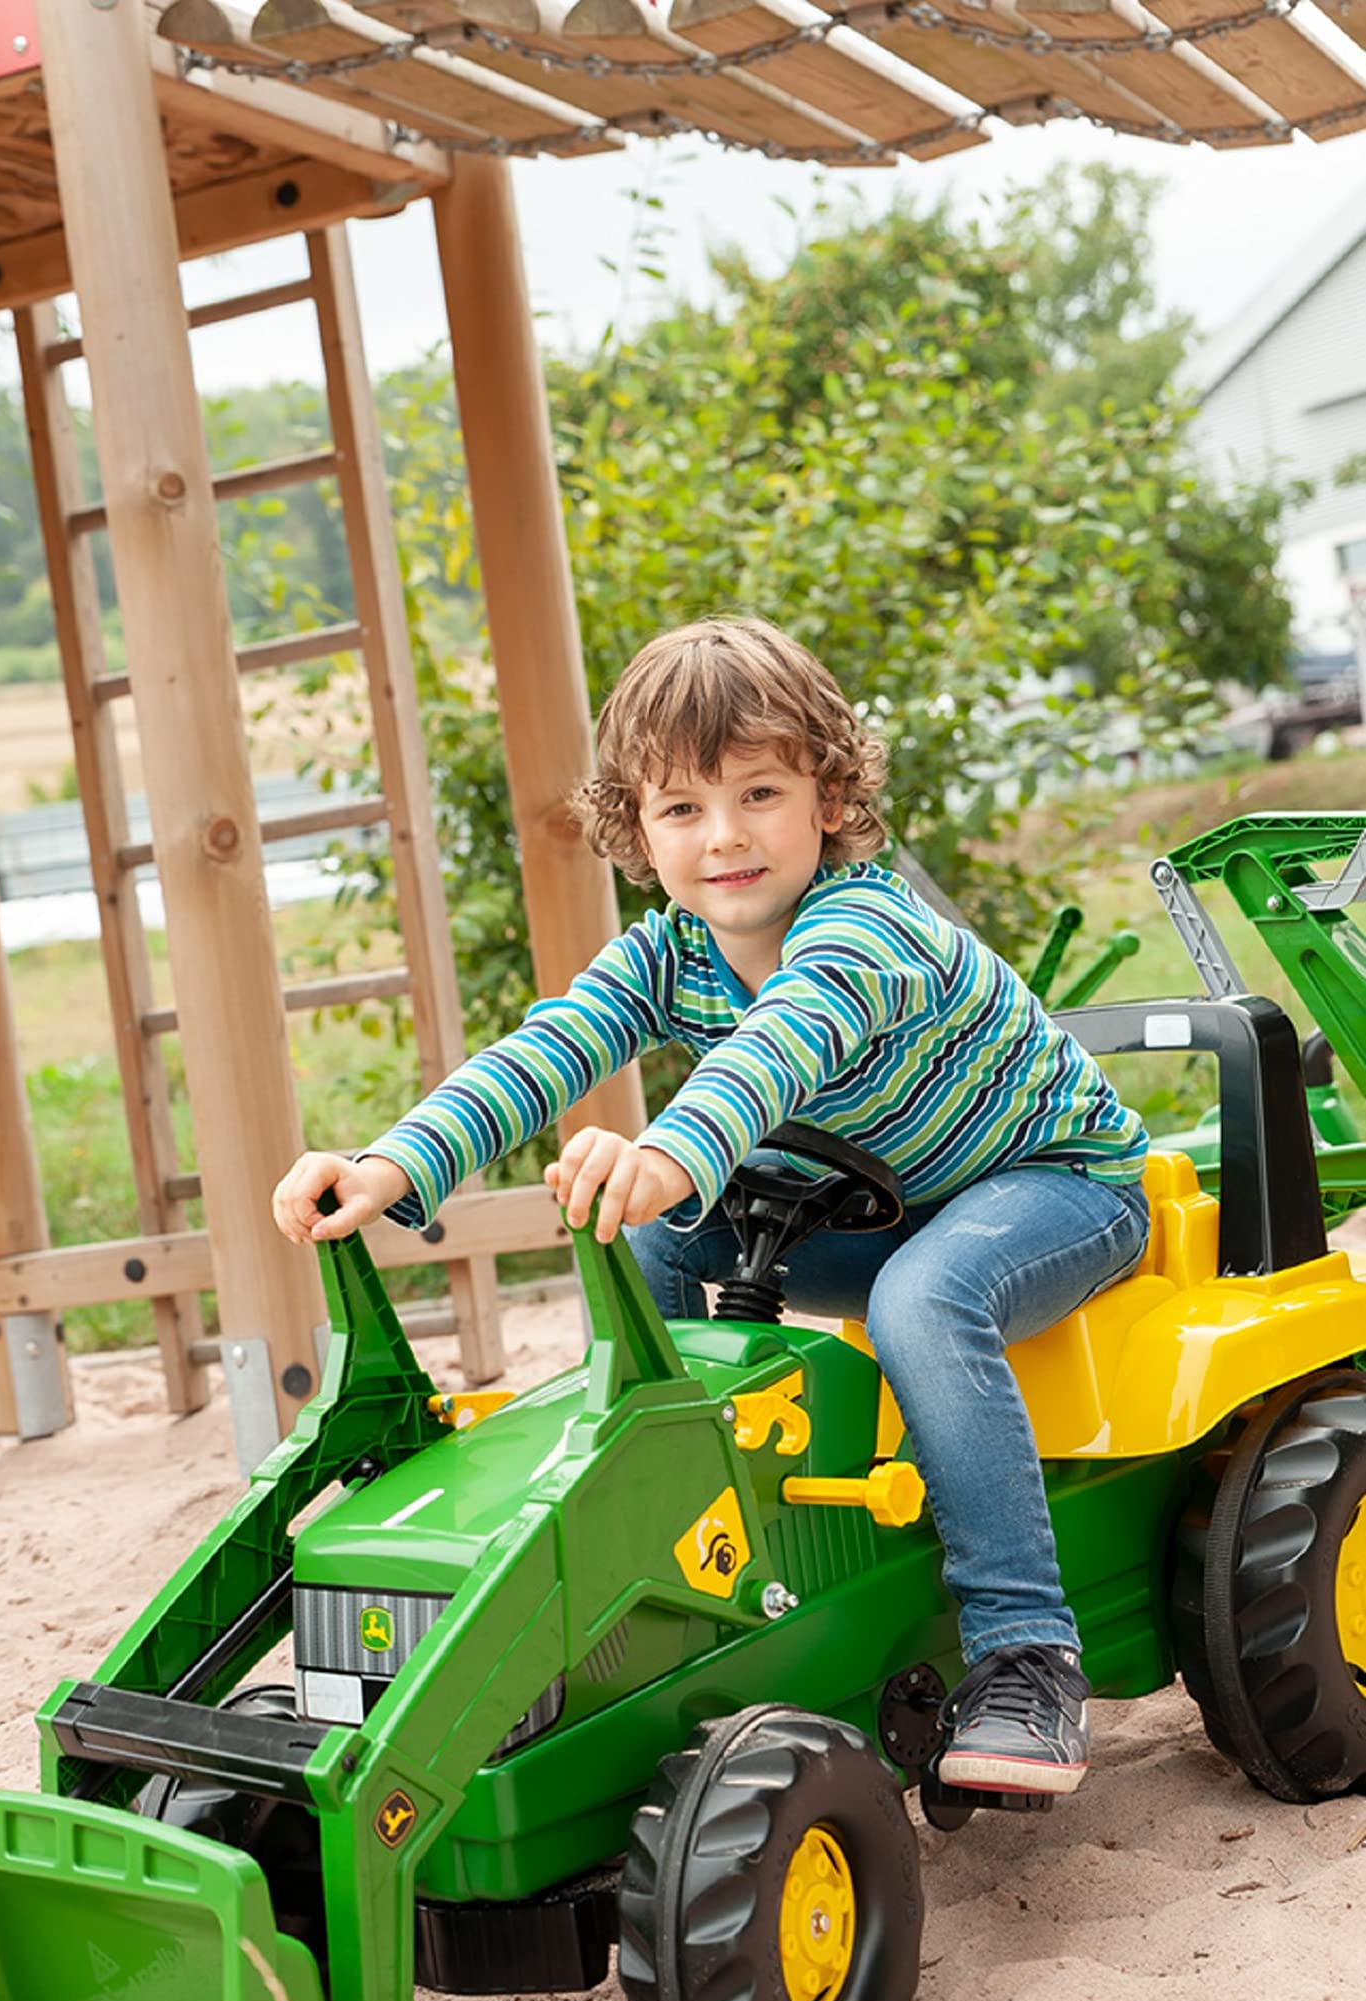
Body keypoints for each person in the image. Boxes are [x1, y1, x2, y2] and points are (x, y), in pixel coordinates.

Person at [271, 616, 1149, 1798]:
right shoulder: (665, 953)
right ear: (636, 830)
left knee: (924, 1297)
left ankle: (1024, 1651)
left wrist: (680, 1145)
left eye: (759, 792)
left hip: (1050, 1187)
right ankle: (688, 1569)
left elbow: (778, 1049)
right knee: (658, 1243)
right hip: (875, 1207)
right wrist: (390, 1169)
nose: (724, 836)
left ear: (829, 798)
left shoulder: (864, 924)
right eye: (682, 808)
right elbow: (546, 1050)